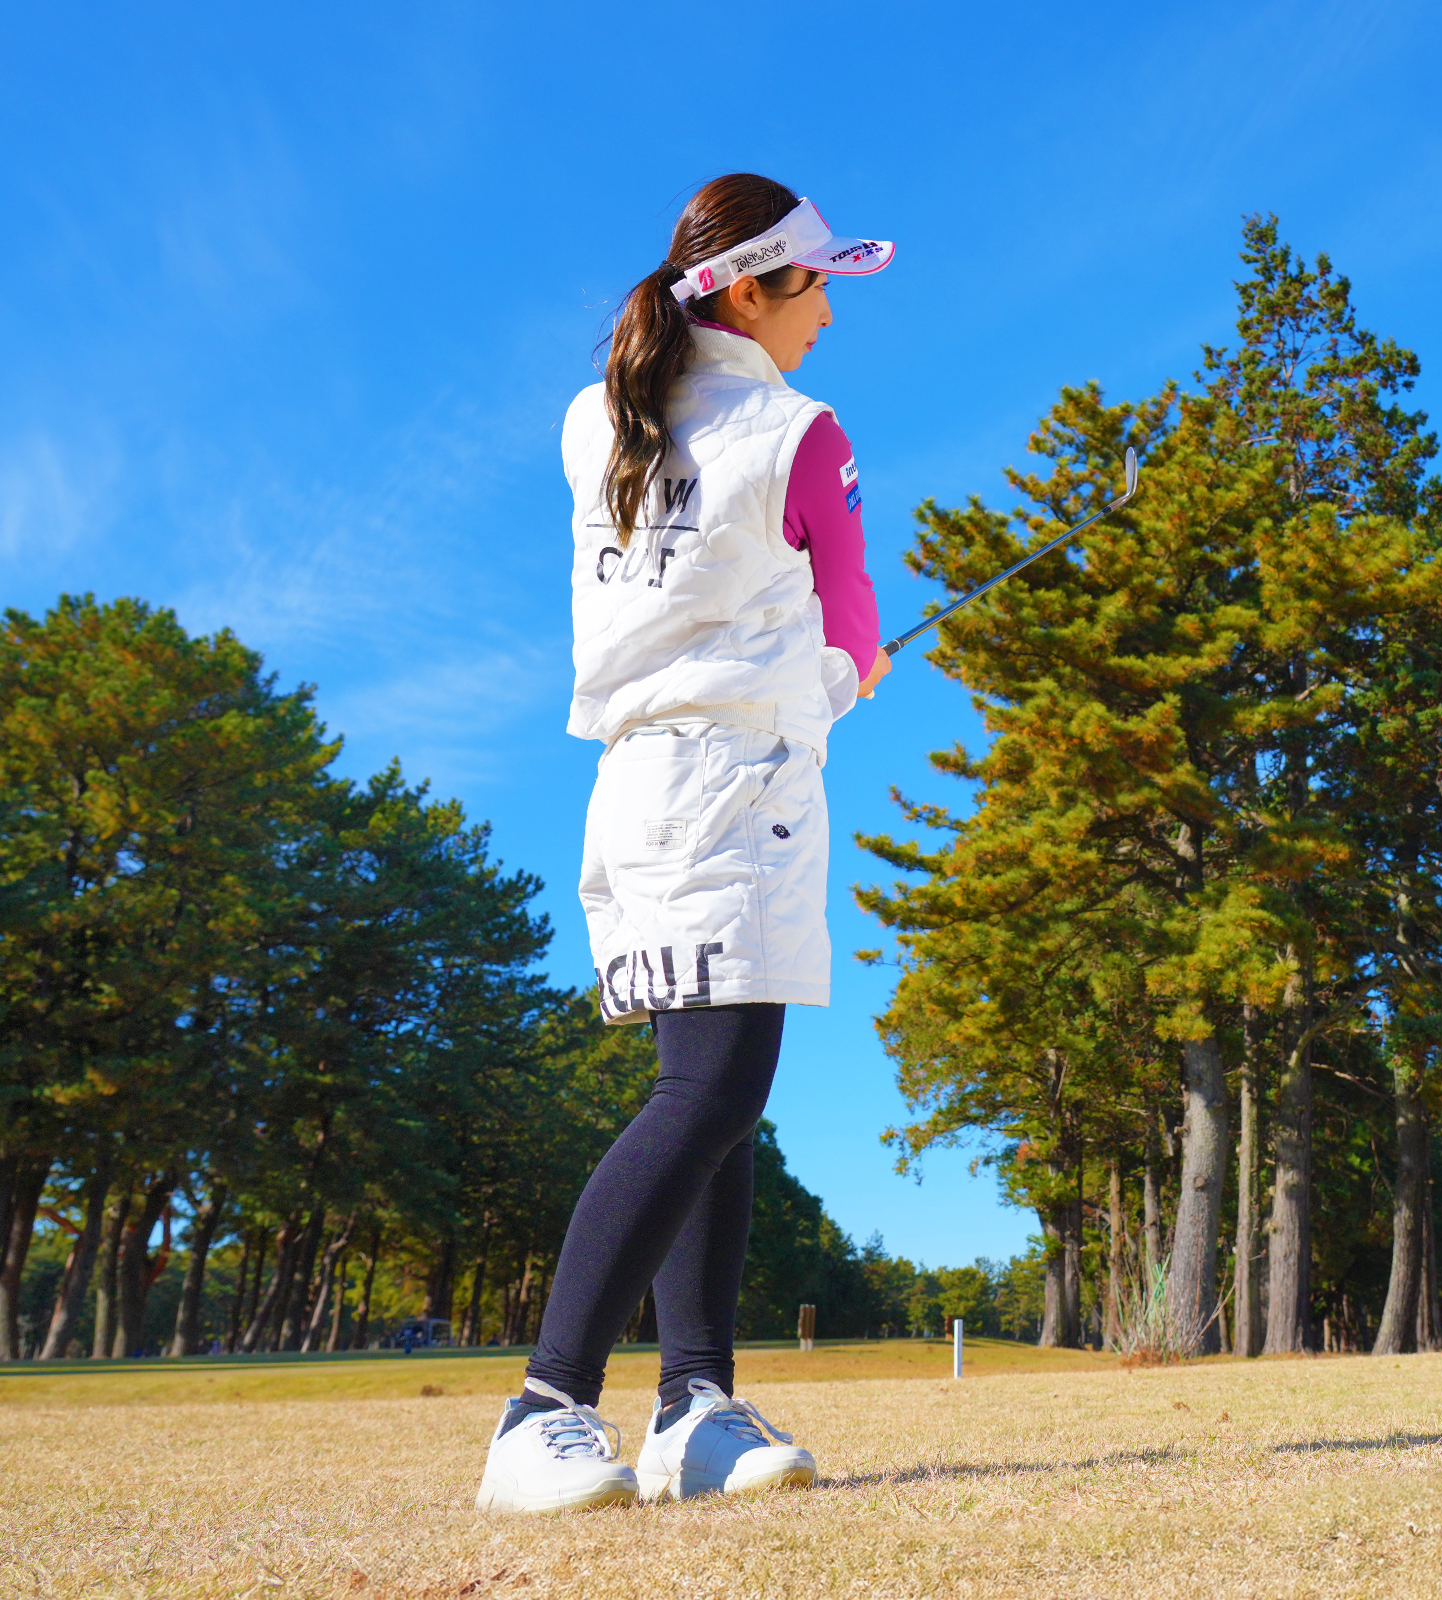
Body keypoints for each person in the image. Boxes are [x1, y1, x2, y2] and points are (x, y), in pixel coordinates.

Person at [475, 174, 894, 1515]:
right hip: (739, 790)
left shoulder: (592, 420)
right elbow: (857, 640)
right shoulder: (803, 433)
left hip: (634, 793)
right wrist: (843, 677)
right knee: (710, 1099)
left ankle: (694, 1407)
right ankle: (543, 1407)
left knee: (713, 1109)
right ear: (759, 290)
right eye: (818, 281)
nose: (831, 308)